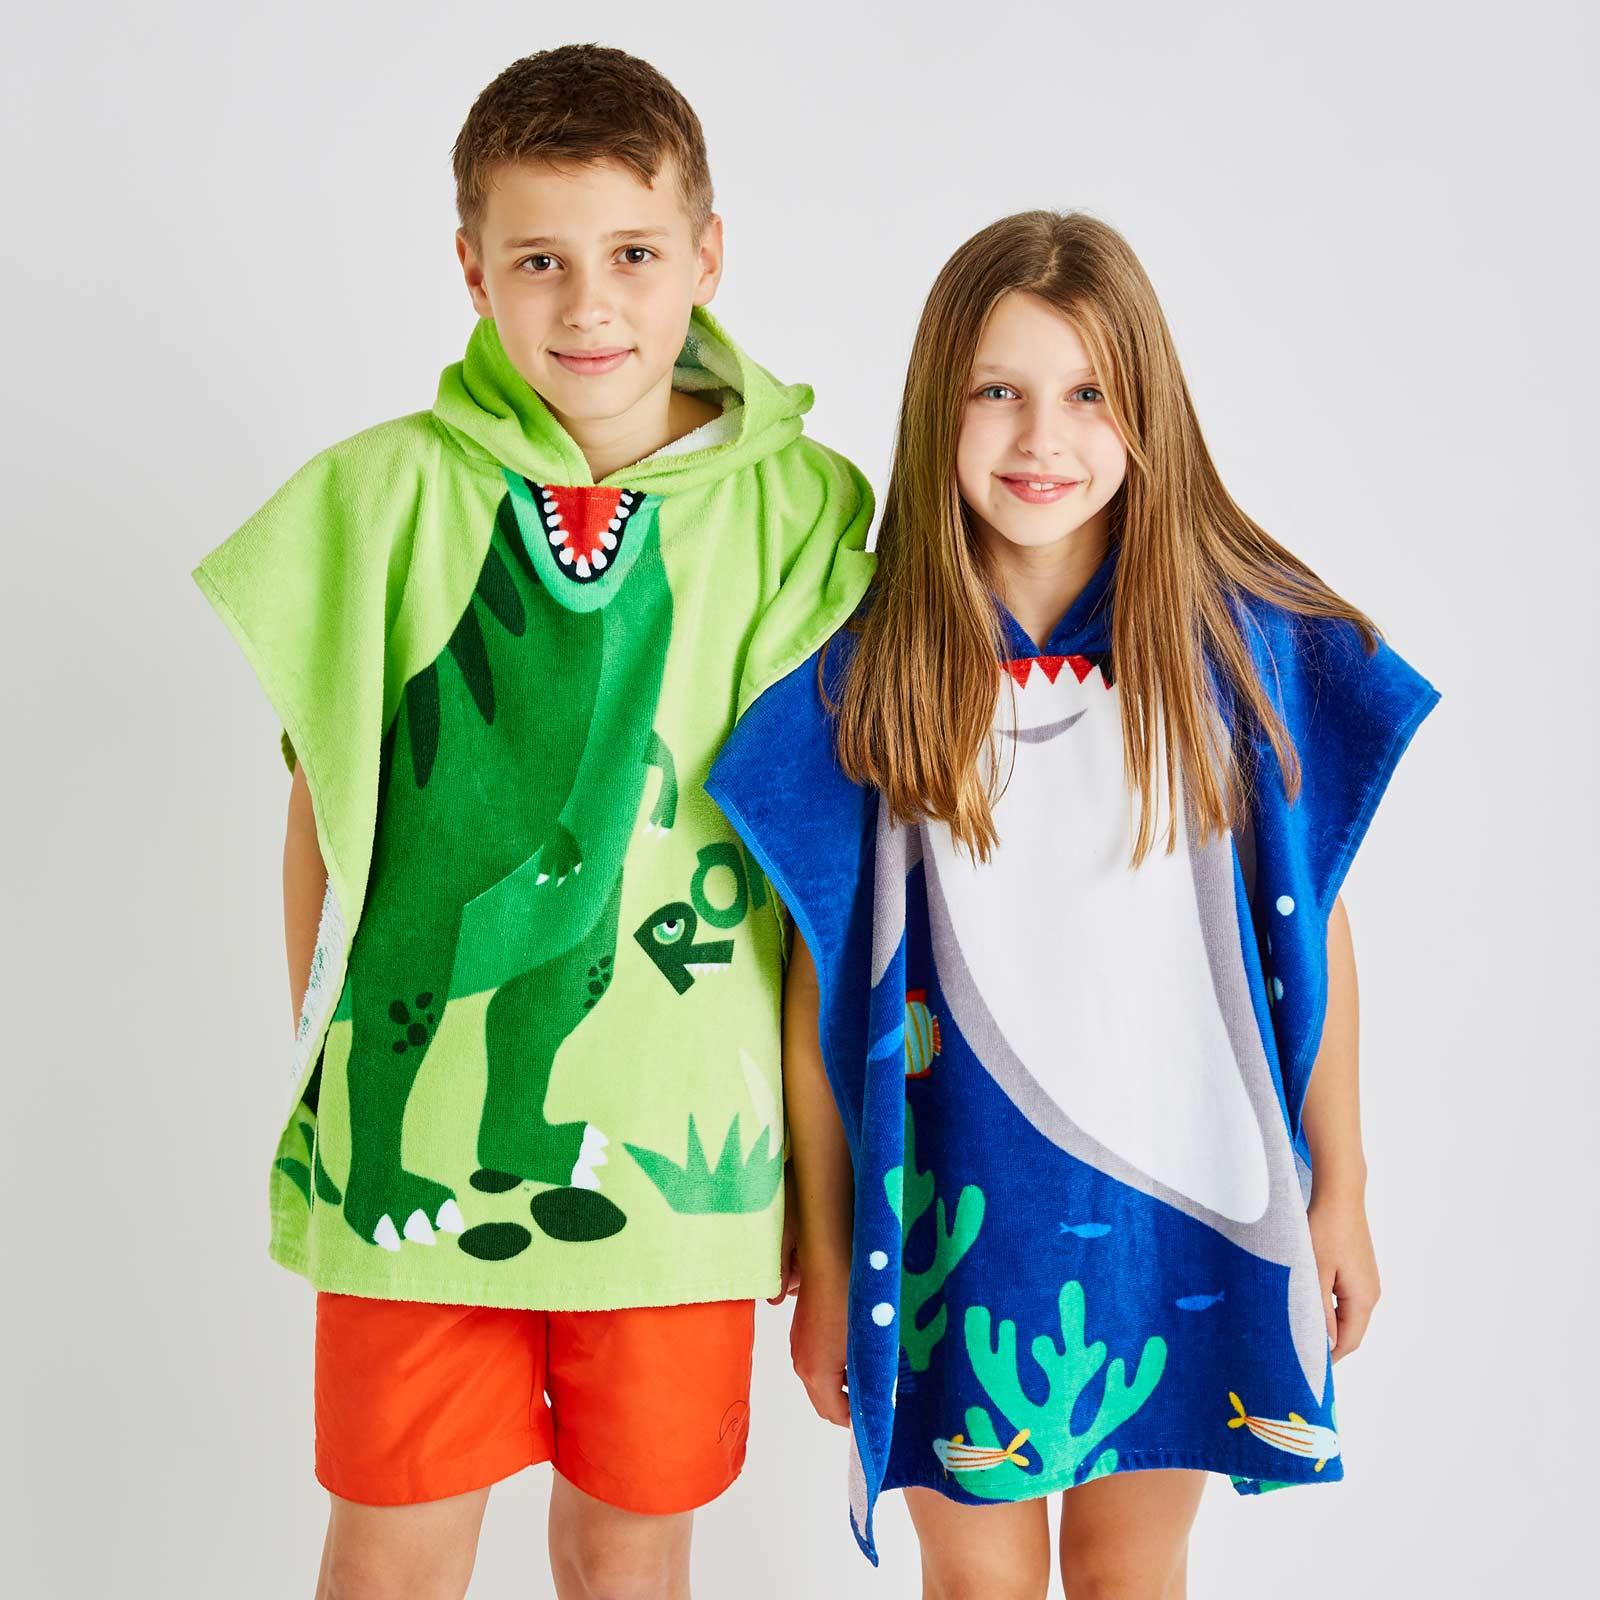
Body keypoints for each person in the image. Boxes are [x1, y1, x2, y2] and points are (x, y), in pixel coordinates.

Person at [192, 44, 871, 1600]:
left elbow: (827, 887)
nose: (590, 306)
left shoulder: (809, 515)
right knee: (393, 1553)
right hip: (405, 1159)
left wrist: (825, 1220)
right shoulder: (378, 497)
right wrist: (344, 1087)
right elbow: (322, 818)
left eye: (634, 254)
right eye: (539, 261)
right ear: (471, 271)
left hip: (680, 1182)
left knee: (628, 1557)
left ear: (707, 255)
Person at [706, 210, 1438, 1596]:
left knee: (1128, 1569)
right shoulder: (870, 670)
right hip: (955, 1221)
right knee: (977, 1582)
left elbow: (1315, 924)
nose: (1043, 437)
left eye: (1089, 393)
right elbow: (821, 979)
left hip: (1180, 1217)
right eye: (999, 390)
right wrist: (827, 1249)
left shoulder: (1236, 652)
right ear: (939, 407)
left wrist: (1341, 1189)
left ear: (1147, 409)